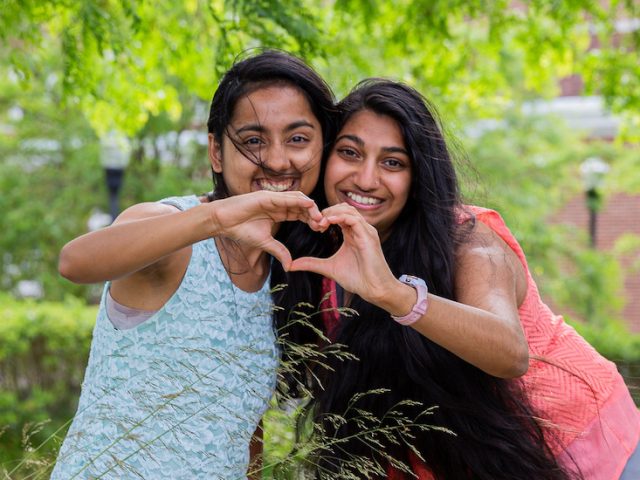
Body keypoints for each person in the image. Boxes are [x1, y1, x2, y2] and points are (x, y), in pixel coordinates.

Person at [281, 79, 640, 479]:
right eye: (350, 153)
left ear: (418, 179)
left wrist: (394, 294)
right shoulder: (321, 260)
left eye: (393, 163)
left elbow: (510, 352)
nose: (366, 179)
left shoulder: (467, 240)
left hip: (586, 443)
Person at [51, 50, 335, 479]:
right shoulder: (174, 229)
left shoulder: (290, 272)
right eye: (253, 140)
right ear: (216, 152)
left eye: (297, 139)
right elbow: (75, 262)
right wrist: (218, 217)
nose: (277, 160)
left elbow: (242, 430)